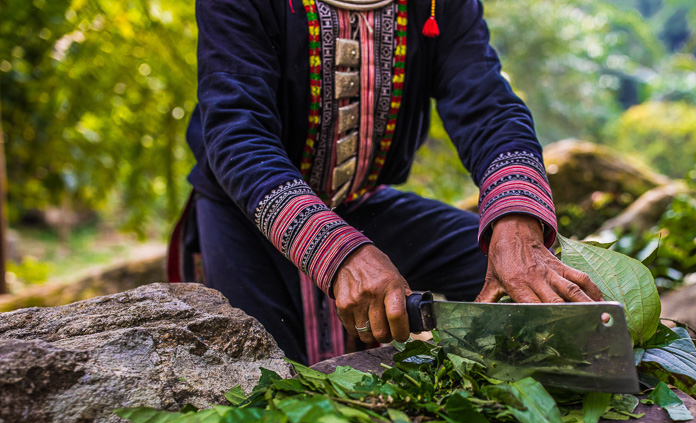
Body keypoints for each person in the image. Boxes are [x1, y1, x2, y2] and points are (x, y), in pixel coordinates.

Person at [169, 0, 603, 365]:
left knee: (533, 287)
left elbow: (488, 107)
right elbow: (238, 133)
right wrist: (338, 252)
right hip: (245, 214)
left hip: (363, 203)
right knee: (262, 381)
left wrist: (516, 221)